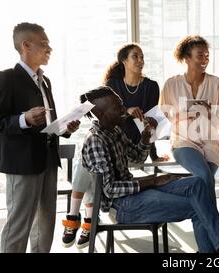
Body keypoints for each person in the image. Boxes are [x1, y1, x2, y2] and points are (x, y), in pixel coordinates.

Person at [79, 86, 219, 253]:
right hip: (121, 206)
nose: (123, 110)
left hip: (134, 194)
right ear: (99, 114)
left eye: (121, 104)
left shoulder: (115, 130)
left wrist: (147, 135)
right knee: (198, 206)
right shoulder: (95, 141)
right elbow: (110, 189)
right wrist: (154, 181)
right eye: (117, 107)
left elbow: (137, 157)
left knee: (197, 183)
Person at [61, 43, 169, 249]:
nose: (140, 60)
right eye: (135, 57)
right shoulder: (113, 84)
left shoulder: (151, 86)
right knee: (93, 156)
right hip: (110, 140)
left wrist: (151, 150)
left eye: (142, 56)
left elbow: (153, 118)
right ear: (124, 61)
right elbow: (103, 113)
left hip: (131, 144)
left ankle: (79, 217)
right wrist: (126, 111)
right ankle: (84, 218)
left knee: (91, 157)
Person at [0, 22, 80, 253]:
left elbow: (50, 122)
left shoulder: (45, 80)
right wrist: (25, 119)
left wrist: (66, 127)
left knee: (45, 224)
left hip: (48, 159)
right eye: (44, 44)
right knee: (18, 226)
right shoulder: (5, 78)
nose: (49, 49)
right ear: (25, 45)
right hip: (22, 164)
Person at [160, 35, 219, 201]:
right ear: (186, 58)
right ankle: (214, 225)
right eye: (200, 55)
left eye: (207, 56)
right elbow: (163, 119)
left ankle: (201, 222)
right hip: (184, 142)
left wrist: (208, 113)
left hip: (211, 143)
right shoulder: (171, 84)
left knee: (202, 185)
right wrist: (186, 114)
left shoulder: (216, 83)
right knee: (204, 176)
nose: (204, 60)